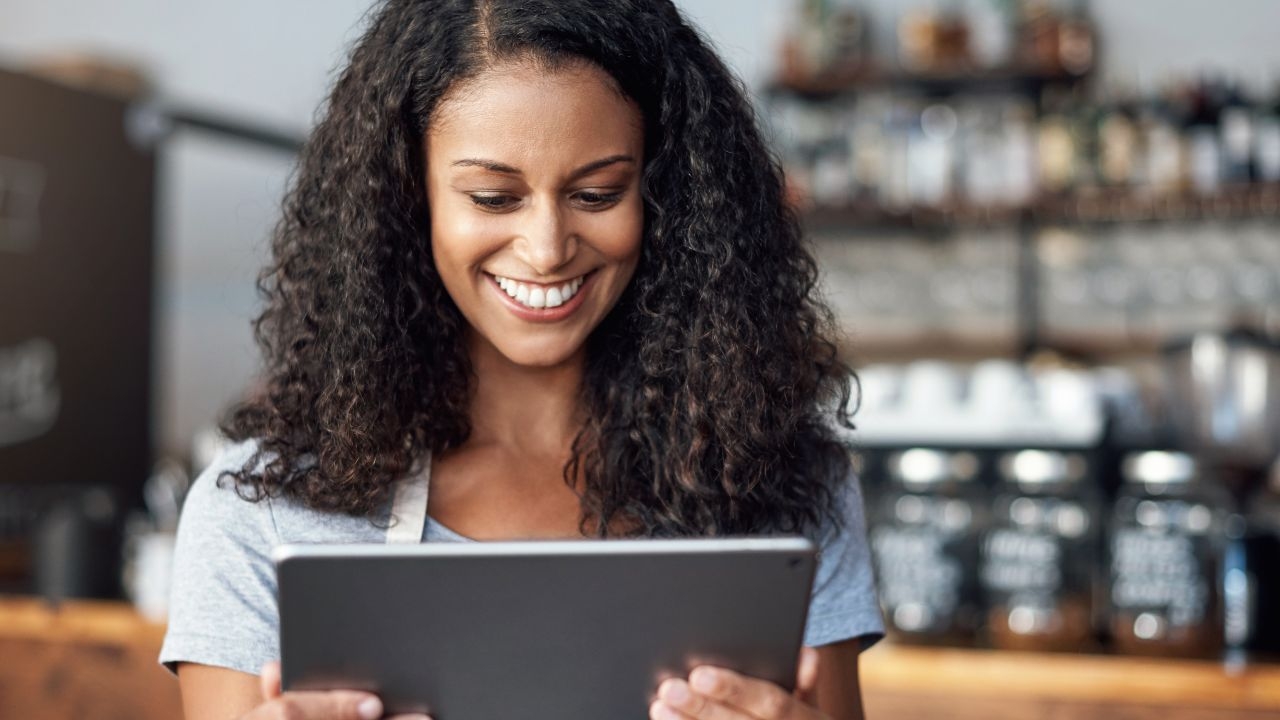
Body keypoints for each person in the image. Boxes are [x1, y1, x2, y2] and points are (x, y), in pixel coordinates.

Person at [159, 1, 883, 718]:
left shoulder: (779, 487)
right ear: (408, 200)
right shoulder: (261, 518)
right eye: (493, 197)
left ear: (668, 193)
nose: (546, 247)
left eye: (597, 192)